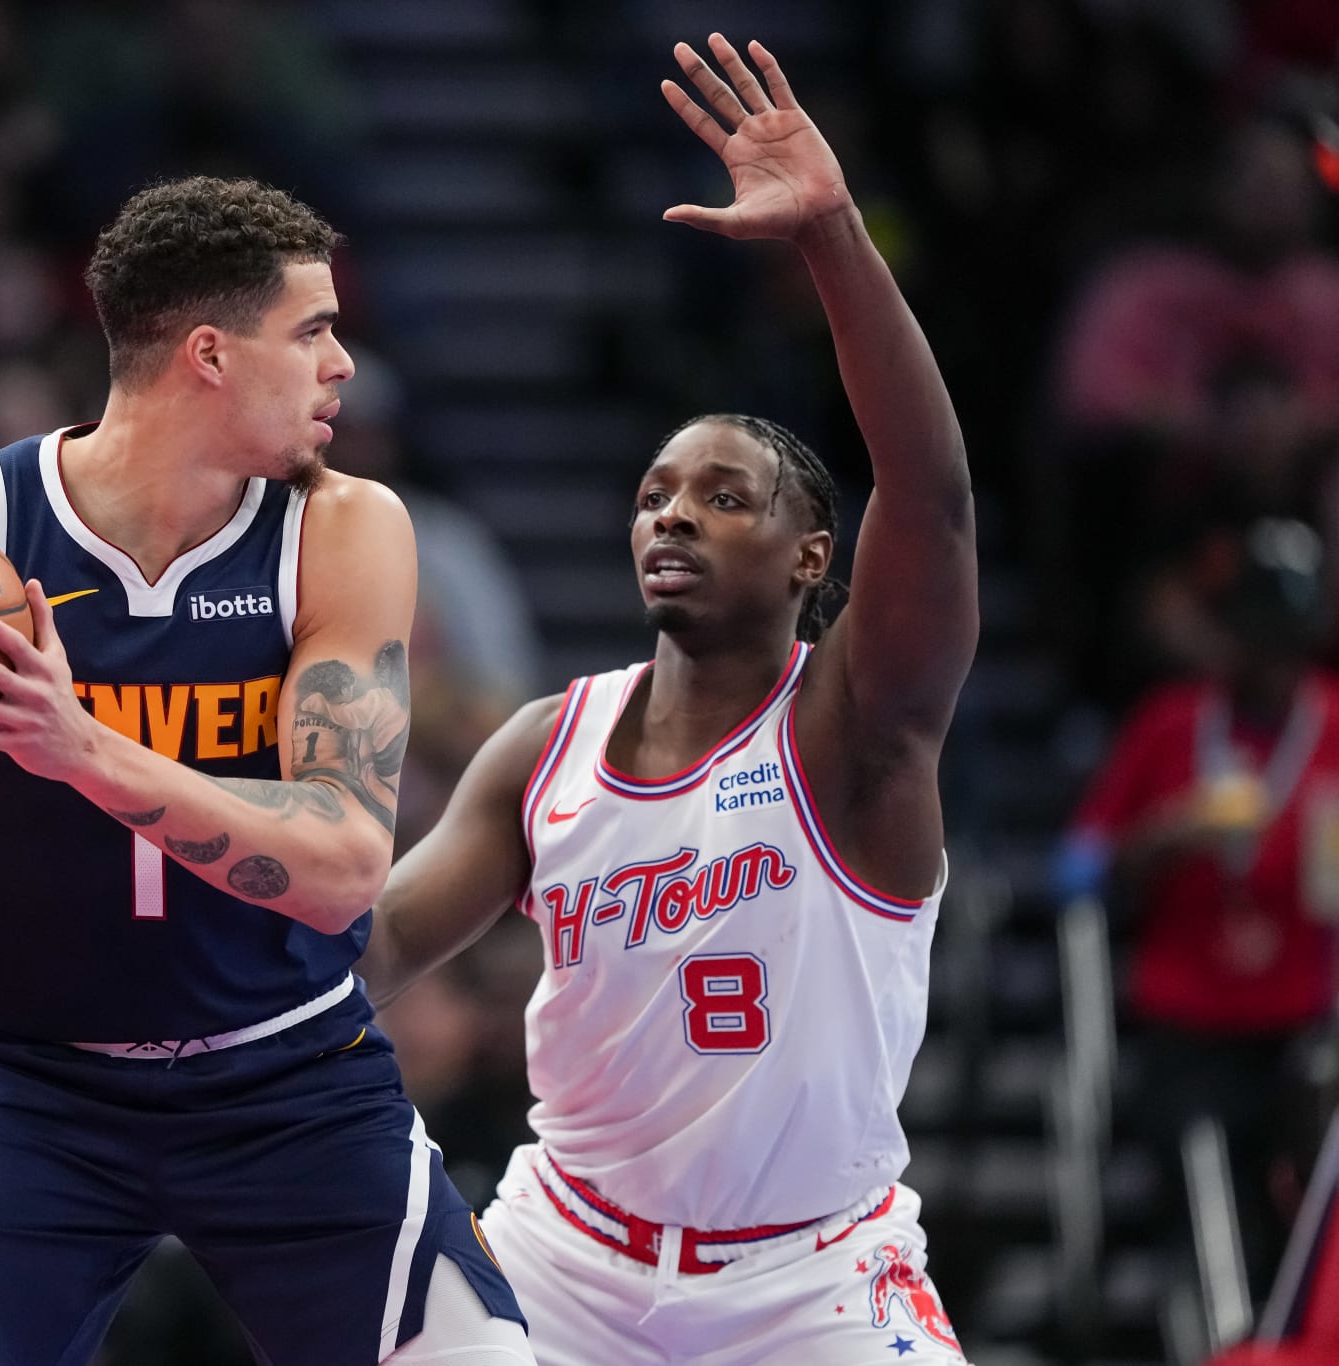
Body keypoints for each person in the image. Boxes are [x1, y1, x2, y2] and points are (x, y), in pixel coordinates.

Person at [0, 176, 532, 1366]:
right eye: (313, 331)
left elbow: (346, 864)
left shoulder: (342, 529)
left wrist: (80, 745)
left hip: (289, 1074)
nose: (343, 364)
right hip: (41, 1091)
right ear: (210, 353)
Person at [359, 36, 978, 1366]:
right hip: (561, 1250)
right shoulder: (549, 740)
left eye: (723, 494)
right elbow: (385, 941)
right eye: (653, 494)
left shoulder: (854, 727)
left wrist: (831, 242)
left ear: (815, 555)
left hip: (812, 1275)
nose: (673, 512)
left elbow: (928, 500)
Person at [1058, 517, 1339, 1300]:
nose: (1273, 661)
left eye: (1288, 639)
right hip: (1193, 1024)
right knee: (1206, 1197)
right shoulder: (1172, 723)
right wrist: (1156, 840)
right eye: (1257, 635)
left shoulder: (1336, 724)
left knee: (1310, 1210)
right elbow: (1073, 870)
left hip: (1310, 1020)